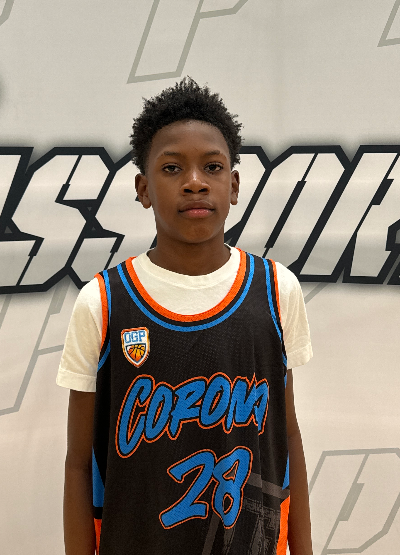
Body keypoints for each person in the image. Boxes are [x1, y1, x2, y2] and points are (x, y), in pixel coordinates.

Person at [57, 77, 313, 555]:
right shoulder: (103, 301)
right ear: (143, 188)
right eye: (172, 167)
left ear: (233, 185)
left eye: (212, 167)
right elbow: (77, 463)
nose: (195, 181)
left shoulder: (277, 290)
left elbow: (288, 436)